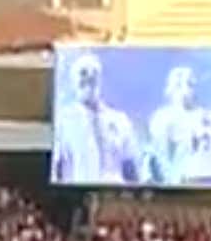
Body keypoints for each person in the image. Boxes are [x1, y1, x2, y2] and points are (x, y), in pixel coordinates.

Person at [147, 63, 211, 186]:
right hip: (186, 180)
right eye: (188, 84)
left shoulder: (208, 115)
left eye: (193, 85)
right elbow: (161, 155)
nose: (192, 90)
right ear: (175, 87)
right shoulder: (163, 117)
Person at [51, 51, 142, 186]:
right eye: (83, 73)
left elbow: (130, 166)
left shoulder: (120, 121)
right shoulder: (64, 122)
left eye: (93, 73)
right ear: (73, 83)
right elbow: (58, 167)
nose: (89, 77)